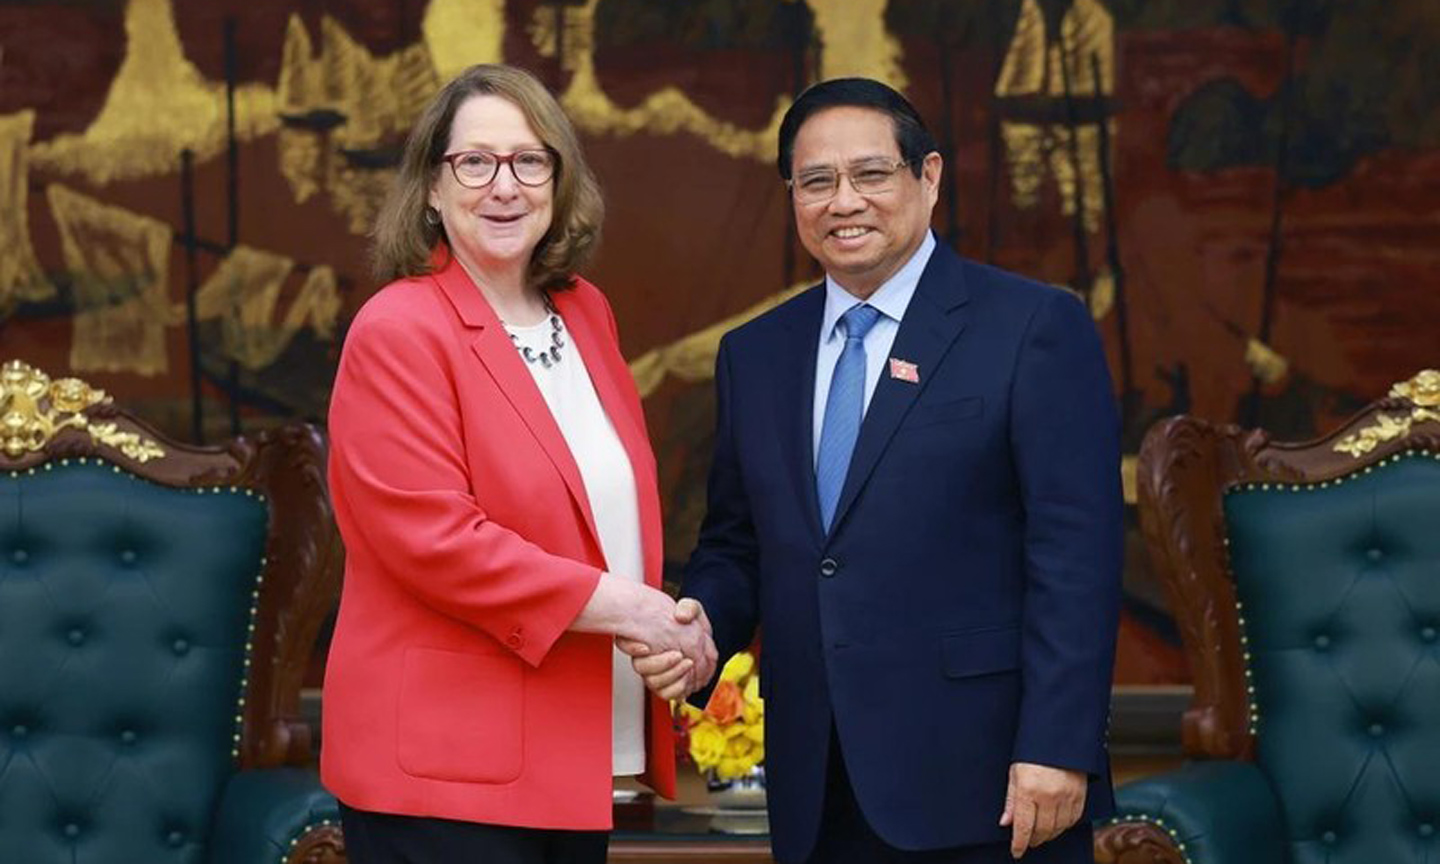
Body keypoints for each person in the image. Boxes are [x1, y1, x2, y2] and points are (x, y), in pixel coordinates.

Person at [625, 78, 1122, 863]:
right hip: (818, 788)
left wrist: (1060, 748)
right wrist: (699, 628)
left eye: (871, 174)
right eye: (816, 181)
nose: (843, 201)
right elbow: (736, 544)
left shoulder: (1030, 327)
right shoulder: (756, 355)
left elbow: (1077, 558)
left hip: (992, 786)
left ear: (927, 179)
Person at [322, 63, 716, 864]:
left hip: (568, 759)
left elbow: (599, 517)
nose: (505, 185)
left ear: (558, 181)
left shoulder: (584, 311)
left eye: (530, 160)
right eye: (476, 161)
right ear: (432, 186)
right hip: (446, 774)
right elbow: (436, 539)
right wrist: (636, 611)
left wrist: (674, 623)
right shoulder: (397, 329)